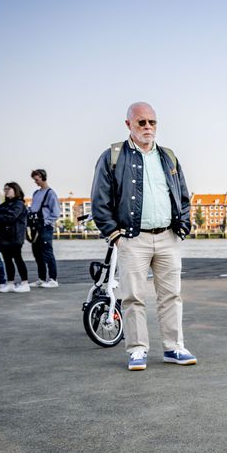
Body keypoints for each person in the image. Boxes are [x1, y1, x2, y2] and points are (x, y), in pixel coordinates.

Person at [91, 101, 195, 371]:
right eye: (141, 122)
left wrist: (183, 224)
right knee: (133, 296)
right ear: (129, 125)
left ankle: (174, 348)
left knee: (172, 295)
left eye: (152, 122)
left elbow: (183, 195)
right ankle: (137, 350)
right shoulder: (112, 156)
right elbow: (99, 200)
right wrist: (114, 234)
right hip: (132, 238)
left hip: (168, 238)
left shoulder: (168, 156)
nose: (148, 127)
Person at [0, 182, 30, 292]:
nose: (6, 191)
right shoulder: (4, 204)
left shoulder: (19, 204)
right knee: (7, 260)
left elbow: (10, 217)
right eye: (4, 189)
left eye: (8, 189)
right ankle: (10, 283)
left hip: (15, 236)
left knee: (18, 259)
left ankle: (25, 283)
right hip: (3, 236)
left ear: (15, 190)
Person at [28, 169, 60, 287]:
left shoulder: (51, 193)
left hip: (45, 228)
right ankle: (41, 278)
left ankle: (53, 279)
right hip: (35, 228)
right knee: (37, 254)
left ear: (43, 177)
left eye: (36, 179)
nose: (35, 182)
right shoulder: (36, 193)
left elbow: (56, 213)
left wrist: (45, 222)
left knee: (47, 253)